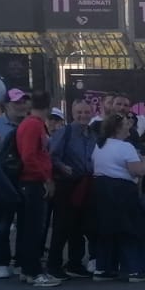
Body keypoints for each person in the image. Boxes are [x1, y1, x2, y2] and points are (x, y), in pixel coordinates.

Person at [92, 114, 145, 283]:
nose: (129, 127)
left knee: (106, 229)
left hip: (101, 189)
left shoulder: (99, 146)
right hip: (122, 191)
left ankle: (102, 268)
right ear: (118, 128)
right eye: (126, 123)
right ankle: (134, 269)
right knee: (130, 229)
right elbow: (137, 171)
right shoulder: (126, 147)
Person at [13, 91, 60, 288]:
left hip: (31, 180)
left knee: (28, 227)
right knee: (33, 228)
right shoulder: (33, 125)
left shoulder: (33, 123)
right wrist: (46, 178)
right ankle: (33, 270)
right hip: (32, 181)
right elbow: (29, 156)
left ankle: (26, 267)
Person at [48, 99, 96, 278]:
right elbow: (52, 156)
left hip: (85, 184)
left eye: (86, 112)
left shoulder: (92, 134)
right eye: (79, 112)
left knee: (80, 225)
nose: (83, 115)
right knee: (62, 225)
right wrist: (62, 167)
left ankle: (75, 263)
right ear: (73, 114)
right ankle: (54, 265)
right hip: (66, 184)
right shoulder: (64, 132)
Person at [0, 90, 29, 279]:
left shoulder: (32, 123)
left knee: (26, 224)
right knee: (2, 224)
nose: (21, 106)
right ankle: (1, 262)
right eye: (17, 102)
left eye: (24, 102)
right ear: (7, 105)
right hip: (3, 182)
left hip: (26, 180)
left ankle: (20, 261)